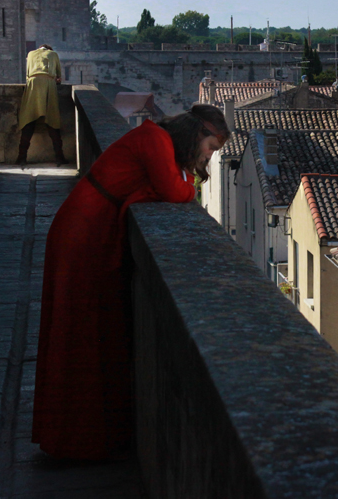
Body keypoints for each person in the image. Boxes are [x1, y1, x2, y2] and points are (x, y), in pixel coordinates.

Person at [31, 104, 230, 460]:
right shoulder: (154, 139)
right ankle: (71, 441)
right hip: (83, 229)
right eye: (211, 147)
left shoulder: (158, 140)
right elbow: (176, 191)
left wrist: (185, 180)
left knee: (87, 331)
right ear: (197, 134)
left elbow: (177, 185)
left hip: (92, 225)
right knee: (77, 329)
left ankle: (79, 439)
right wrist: (188, 181)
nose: (209, 157)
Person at [17, 44, 67, 167]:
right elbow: (58, 76)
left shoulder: (30, 54)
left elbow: (28, 74)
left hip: (32, 84)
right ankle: (59, 158)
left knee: (28, 120)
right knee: (52, 121)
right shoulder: (53, 54)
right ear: (49, 50)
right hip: (48, 84)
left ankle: (21, 157)